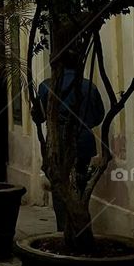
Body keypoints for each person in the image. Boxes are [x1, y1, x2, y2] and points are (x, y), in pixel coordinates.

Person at [35, 53, 105, 194]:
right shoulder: (89, 85)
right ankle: (78, 208)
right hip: (84, 140)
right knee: (80, 180)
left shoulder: (46, 86)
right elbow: (99, 116)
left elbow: (38, 116)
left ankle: (63, 214)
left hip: (57, 141)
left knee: (60, 185)